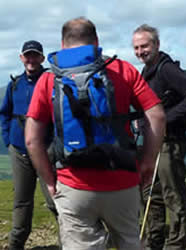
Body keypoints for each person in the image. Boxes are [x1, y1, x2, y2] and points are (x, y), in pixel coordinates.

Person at [25, 17, 166, 249]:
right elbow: (157, 115)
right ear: (96, 41)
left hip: (73, 184)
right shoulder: (123, 70)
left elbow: (31, 139)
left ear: (62, 44)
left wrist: (49, 180)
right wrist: (148, 162)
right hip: (123, 180)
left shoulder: (49, 78)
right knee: (130, 241)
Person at [132, 24, 186, 249]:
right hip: (154, 143)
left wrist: (165, 119)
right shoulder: (148, 70)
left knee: (173, 196)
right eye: (136, 48)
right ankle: (153, 242)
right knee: (151, 195)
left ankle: (175, 245)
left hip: (170, 142)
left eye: (144, 46)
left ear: (157, 45)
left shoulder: (166, 69)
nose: (140, 51)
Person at [0, 40, 59, 250]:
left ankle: (70, 243)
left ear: (42, 58)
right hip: (19, 151)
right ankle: (16, 246)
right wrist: (9, 140)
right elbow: (4, 113)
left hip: (45, 150)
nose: (31, 60)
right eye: (27, 55)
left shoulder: (52, 81)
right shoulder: (14, 85)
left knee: (55, 200)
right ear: (21, 58)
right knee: (22, 202)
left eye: (35, 55)